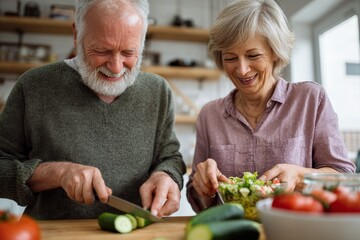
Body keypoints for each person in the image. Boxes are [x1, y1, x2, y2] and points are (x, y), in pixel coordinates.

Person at [0, 0, 186, 220]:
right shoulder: (33, 86)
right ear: (76, 33)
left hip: (137, 234)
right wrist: (57, 173)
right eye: (102, 50)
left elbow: (170, 157)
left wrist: (167, 175)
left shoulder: (158, 91)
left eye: (129, 52)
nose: (116, 67)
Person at [186, 0, 355, 212]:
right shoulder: (209, 115)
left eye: (253, 55)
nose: (242, 70)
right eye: (230, 58)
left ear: (275, 52)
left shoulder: (311, 99)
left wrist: (300, 176)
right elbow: (198, 201)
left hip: (297, 228)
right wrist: (201, 186)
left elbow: (344, 177)